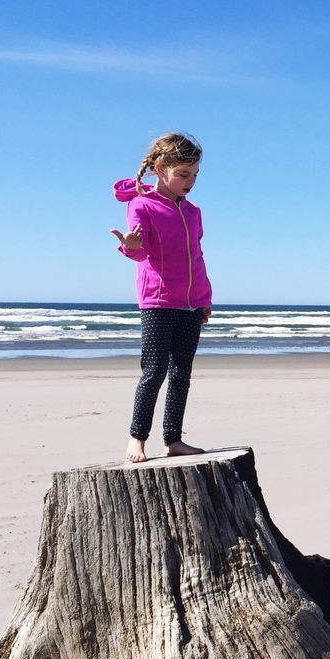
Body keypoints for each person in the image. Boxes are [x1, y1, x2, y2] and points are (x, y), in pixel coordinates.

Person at [109, 132, 213, 463]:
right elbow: (140, 254)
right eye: (183, 174)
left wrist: (204, 298)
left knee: (182, 371)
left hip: (191, 303)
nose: (190, 181)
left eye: (195, 174)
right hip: (158, 300)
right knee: (154, 371)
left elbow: (197, 256)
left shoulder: (193, 211)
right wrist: (131, 246)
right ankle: (136, 439)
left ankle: (173, 439)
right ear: (159, 168)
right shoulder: (142, 205)